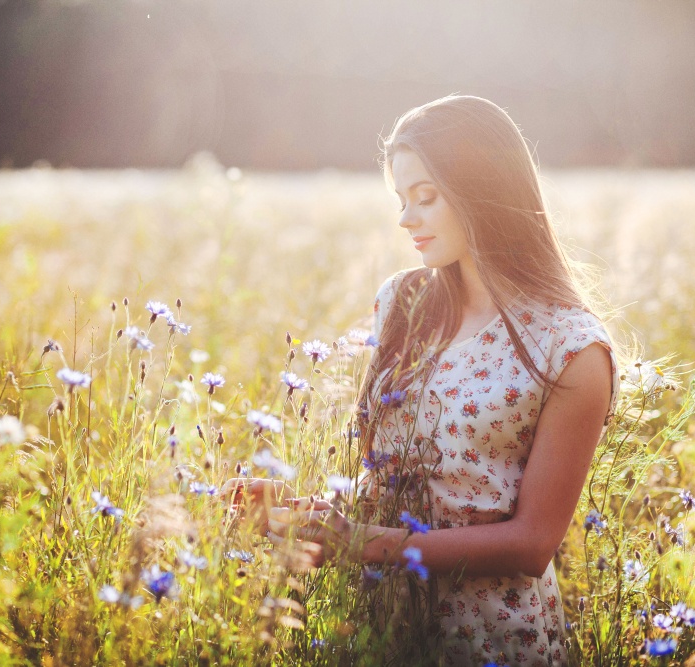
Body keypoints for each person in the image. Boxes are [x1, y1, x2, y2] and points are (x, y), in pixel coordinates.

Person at [223, 95, 620, 667]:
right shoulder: (403, 301)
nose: (406, 218)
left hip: (489, 637)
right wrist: (307, 515)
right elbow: (389, 476)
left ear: (484, 191)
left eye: (426, 198)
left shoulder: (572, 348)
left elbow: (532, 544)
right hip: (379, 624)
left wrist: (364, 543)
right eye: (401, 200)